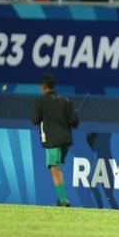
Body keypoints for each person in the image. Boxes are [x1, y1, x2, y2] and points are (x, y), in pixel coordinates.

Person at [31, 73, 80, 207]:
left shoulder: (41, 101)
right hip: (66, 140)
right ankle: (61, 198)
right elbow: (75, 121)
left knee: (54, 169)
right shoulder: (65, 100)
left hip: (52, 140)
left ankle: (63, 200)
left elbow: (35, 120)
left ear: (44, 87)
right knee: (57, 168)